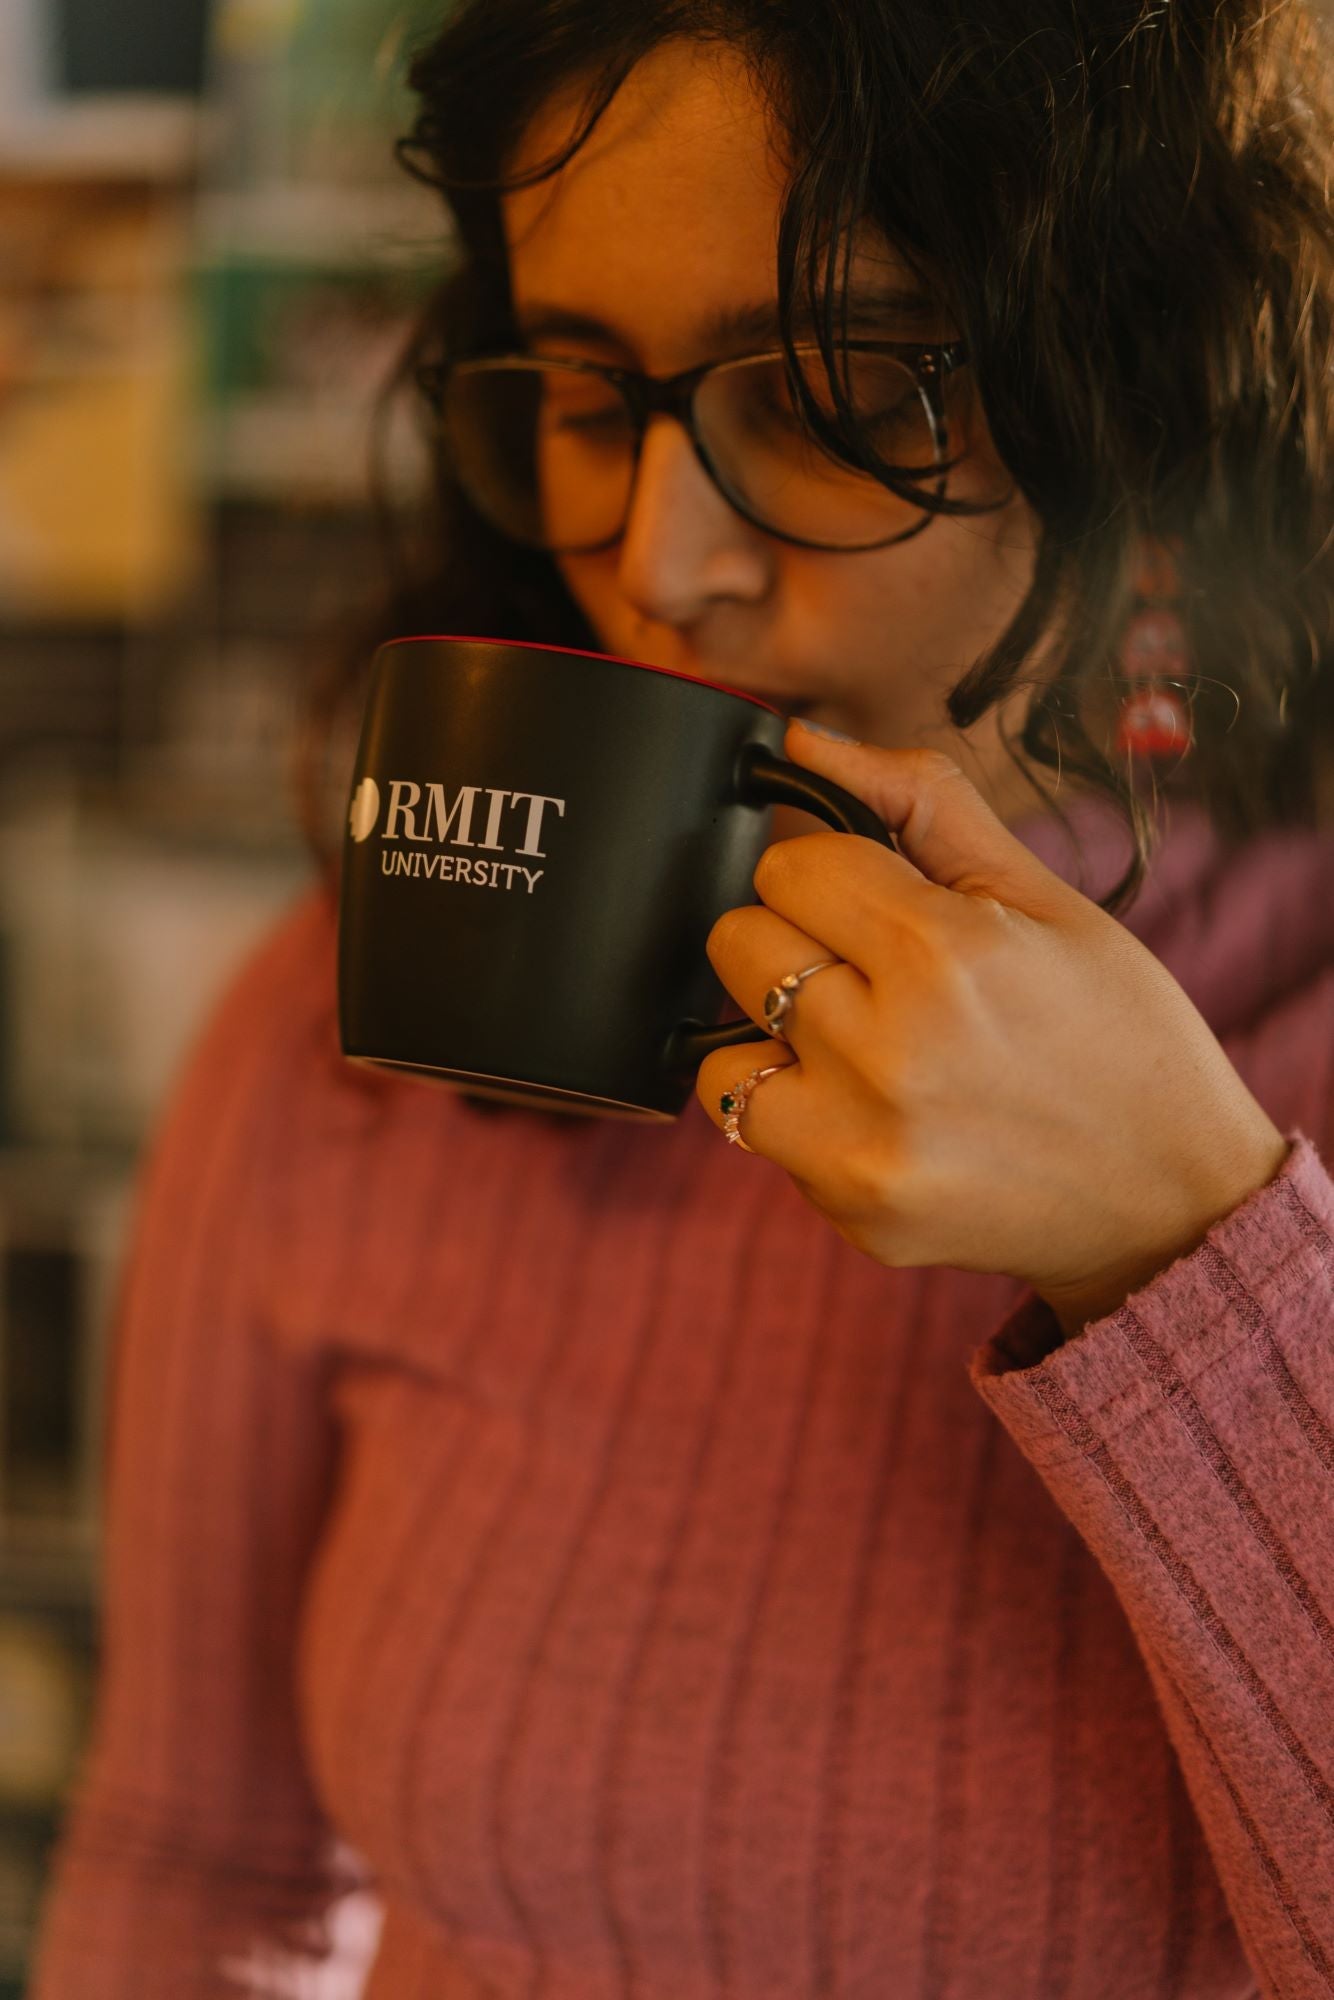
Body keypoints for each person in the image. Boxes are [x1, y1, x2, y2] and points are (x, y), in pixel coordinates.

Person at [28, 0, 1334, 1995]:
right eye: (578, 385)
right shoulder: (363, 1017)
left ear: (1152, 392)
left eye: (834, 389)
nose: (660, 556)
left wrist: (1194, 1256)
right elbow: (198, 1858)